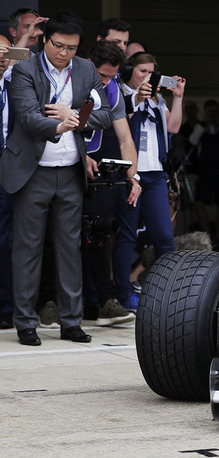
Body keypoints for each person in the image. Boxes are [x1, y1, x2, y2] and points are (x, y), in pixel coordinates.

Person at [0, 12, 112, 345]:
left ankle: (71, 321)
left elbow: (104, 114)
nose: (64, 53)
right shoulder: (25, 69)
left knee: (70, 249)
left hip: (70, 169)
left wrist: (74, 118)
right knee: (27, 249)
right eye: (59, 46)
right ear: (45, 40)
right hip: (32, 171)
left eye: (72, 48)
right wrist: (59, 125)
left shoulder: (87, 69)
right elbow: (29, 116)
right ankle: (25, 323)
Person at [115, 53, 185, 310]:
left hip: (155, 174)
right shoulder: (122, 94)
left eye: (151, 73)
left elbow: (173, 127)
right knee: (127, 235)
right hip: (130, 173)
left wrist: (177, 97)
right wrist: (138, 96)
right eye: (142, 71)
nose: (147, 77)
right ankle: (123, 293)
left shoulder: (157, 99)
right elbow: (120, 125)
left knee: (164, 236)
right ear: (131, 71)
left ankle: (170, 293)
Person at [84, 40, 141, 326]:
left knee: (101, 230)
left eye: (110, 76)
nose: (104, 80)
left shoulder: (112, 89)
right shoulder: (70, 79)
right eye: (102, 74)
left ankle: (103, 300)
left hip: (99, 170)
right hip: (61, 164)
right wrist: (81, 155)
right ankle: (53, 302)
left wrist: (134, 177)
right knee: (60, 237)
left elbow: (125, 138)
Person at [190, 99, 219, 242]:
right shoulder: (200, 127)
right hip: (205, 171)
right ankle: (208, 235)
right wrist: (204, 123)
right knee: (199, 203)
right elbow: (193, 141)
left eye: (215, 111)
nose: (213, 114)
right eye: (210, 112)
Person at [0, 36, 13, 329]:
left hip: (9, 171)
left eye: (5, 53)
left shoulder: (16, 89)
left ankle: (5, 306)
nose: (1, 57)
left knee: (6, 239)